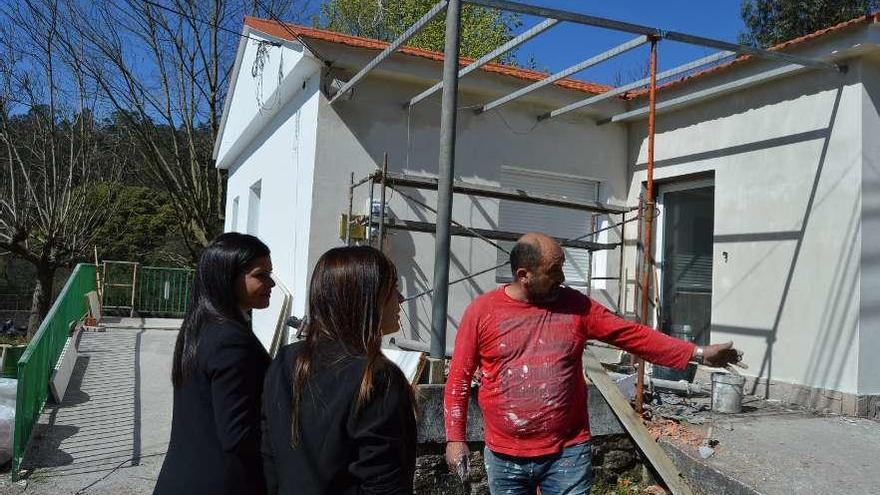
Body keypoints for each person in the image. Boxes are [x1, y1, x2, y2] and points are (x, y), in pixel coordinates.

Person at [444, 232, 742, 495]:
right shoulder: (481, 313)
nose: (562, 277)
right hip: (505, 455)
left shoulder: (577, 307)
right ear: (524, 275)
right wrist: (455, 439)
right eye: (554, 270)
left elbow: (632, 335)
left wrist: (698, 353)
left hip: (567, 453)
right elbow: (458, 379)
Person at [261, 246, 417, 495]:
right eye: (391, 289)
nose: (400, 298)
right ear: (364, 299)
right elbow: (384, 485)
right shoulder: (375, 376)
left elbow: (268, 461)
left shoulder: (286, 360)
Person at [154, 233, 275, 495]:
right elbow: (238, 434)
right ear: (227, 277)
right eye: (260, 275)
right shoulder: (230, 341)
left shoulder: (201, 328)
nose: (272, 283)